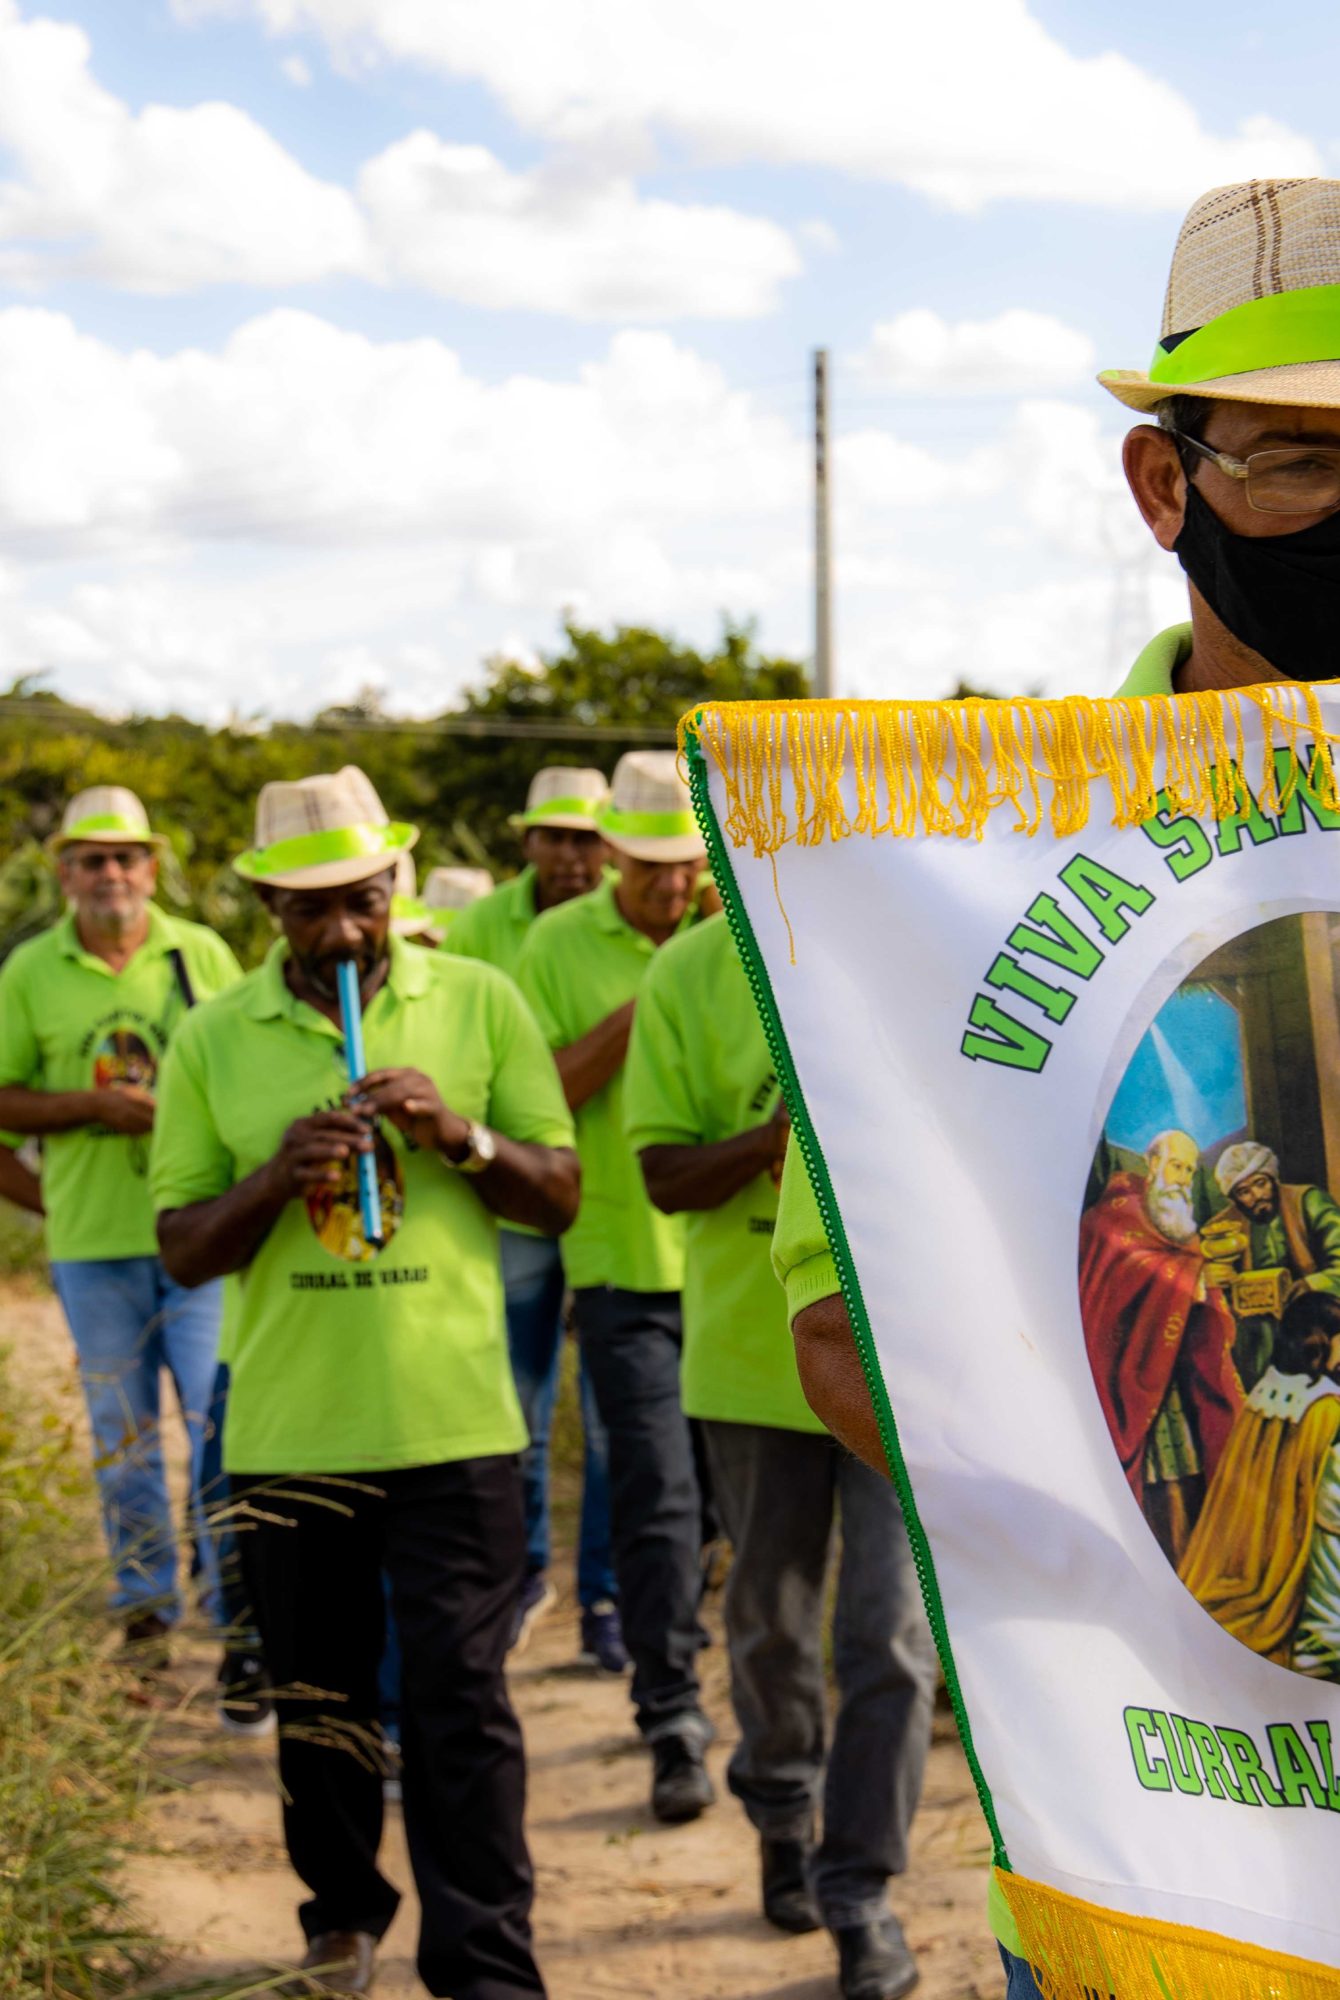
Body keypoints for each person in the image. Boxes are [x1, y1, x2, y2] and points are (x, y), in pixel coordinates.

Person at [773, 176, 1340, 1998]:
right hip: (1170, 1817)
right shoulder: (975, 874)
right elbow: (849, 1336)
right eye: (1306, 459)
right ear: (1168, 487)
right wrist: (1179, 1535)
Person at [151, 766, 579, 2000]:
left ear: (392, 885)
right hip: (293, 1429)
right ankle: (340, 1919)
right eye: (309, 909)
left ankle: (485, 1956)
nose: (341, 929)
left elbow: (558, 1191)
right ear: (266, 913)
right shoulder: (211, 1037)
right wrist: (276, 1177)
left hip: (454, 1424)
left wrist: (461, 1138)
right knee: (319, 1700)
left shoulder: (481, 1000)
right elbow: (183, 1244)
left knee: (461, 1700)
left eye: (360, 898)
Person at [626, 911, 936, 2000]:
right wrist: (778, 1139)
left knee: (892, 1633)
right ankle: (778, 1806)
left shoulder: (903, 931)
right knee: (769, 1614)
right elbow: (661, 1172)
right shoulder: (688, 969)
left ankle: (859, 1890)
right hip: (752, 1366)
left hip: (897, 1361)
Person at [0, 785, 242, 1692]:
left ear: (152, 867)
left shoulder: (201, 955)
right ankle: (145, 1606)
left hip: (202, 1239)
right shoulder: (30, 971)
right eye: (93, 859)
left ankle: (235, 1605)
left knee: (219, 1421)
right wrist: (87, 1119)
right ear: (63, 872)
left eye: (127, 857)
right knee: (124, 1433)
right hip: (95, 1246)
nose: (112, 874)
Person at [517, 750, 715, 1822]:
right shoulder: (555, 945)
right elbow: (540, 1094)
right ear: (612, 861)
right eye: (650, 870)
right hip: (618, 1260)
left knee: (715, 1507)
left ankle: (689, 1656)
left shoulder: (731, 934)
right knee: (653, 1494)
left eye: (685, 868)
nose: (671, 888)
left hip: (728, 1270)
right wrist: (653, 1004)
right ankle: (670, 1714)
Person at [449, 768, 625, 1670]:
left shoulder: (656, 924)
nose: (572, 855)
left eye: (588, 839)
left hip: (610, 1206)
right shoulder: (479, 931)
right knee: (516, 1402)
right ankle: (521, 1575)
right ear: (528, 844)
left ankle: (603, 1595)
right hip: (514, 1195)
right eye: (556, 838)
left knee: (606, 1423)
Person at [1080, 1129, 1242, 1562]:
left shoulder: (1177, 1223)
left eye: (1190, 1170)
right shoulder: (1110, 1219)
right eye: (1176, 1166)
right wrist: (1193, 1281)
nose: (1183, 1178)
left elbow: (1185, 1276)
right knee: (1160, 1484)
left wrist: (1204, 1288)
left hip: (1176, 1375)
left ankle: (1195, 1565)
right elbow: (1114, 1291)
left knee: (1188, 1471)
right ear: (1152, 1165)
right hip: (1129, 1377)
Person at [1179, 1289, 1340, 1675]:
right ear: (1321, 1339)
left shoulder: (1265, 1392)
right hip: (1287, 1568)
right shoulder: (1325, 1409)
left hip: (1245, 1559)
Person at [1201, 1140, 1340, 1389]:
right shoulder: (1224, 1229)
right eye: (1244, 1191)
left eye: (1260, 1183)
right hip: (1260, 1333)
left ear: (1272, 1178)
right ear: (1234, 1198)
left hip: (1320, 1314)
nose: (1257, 1196)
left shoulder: (1308, 1201)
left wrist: (1309, 1285)